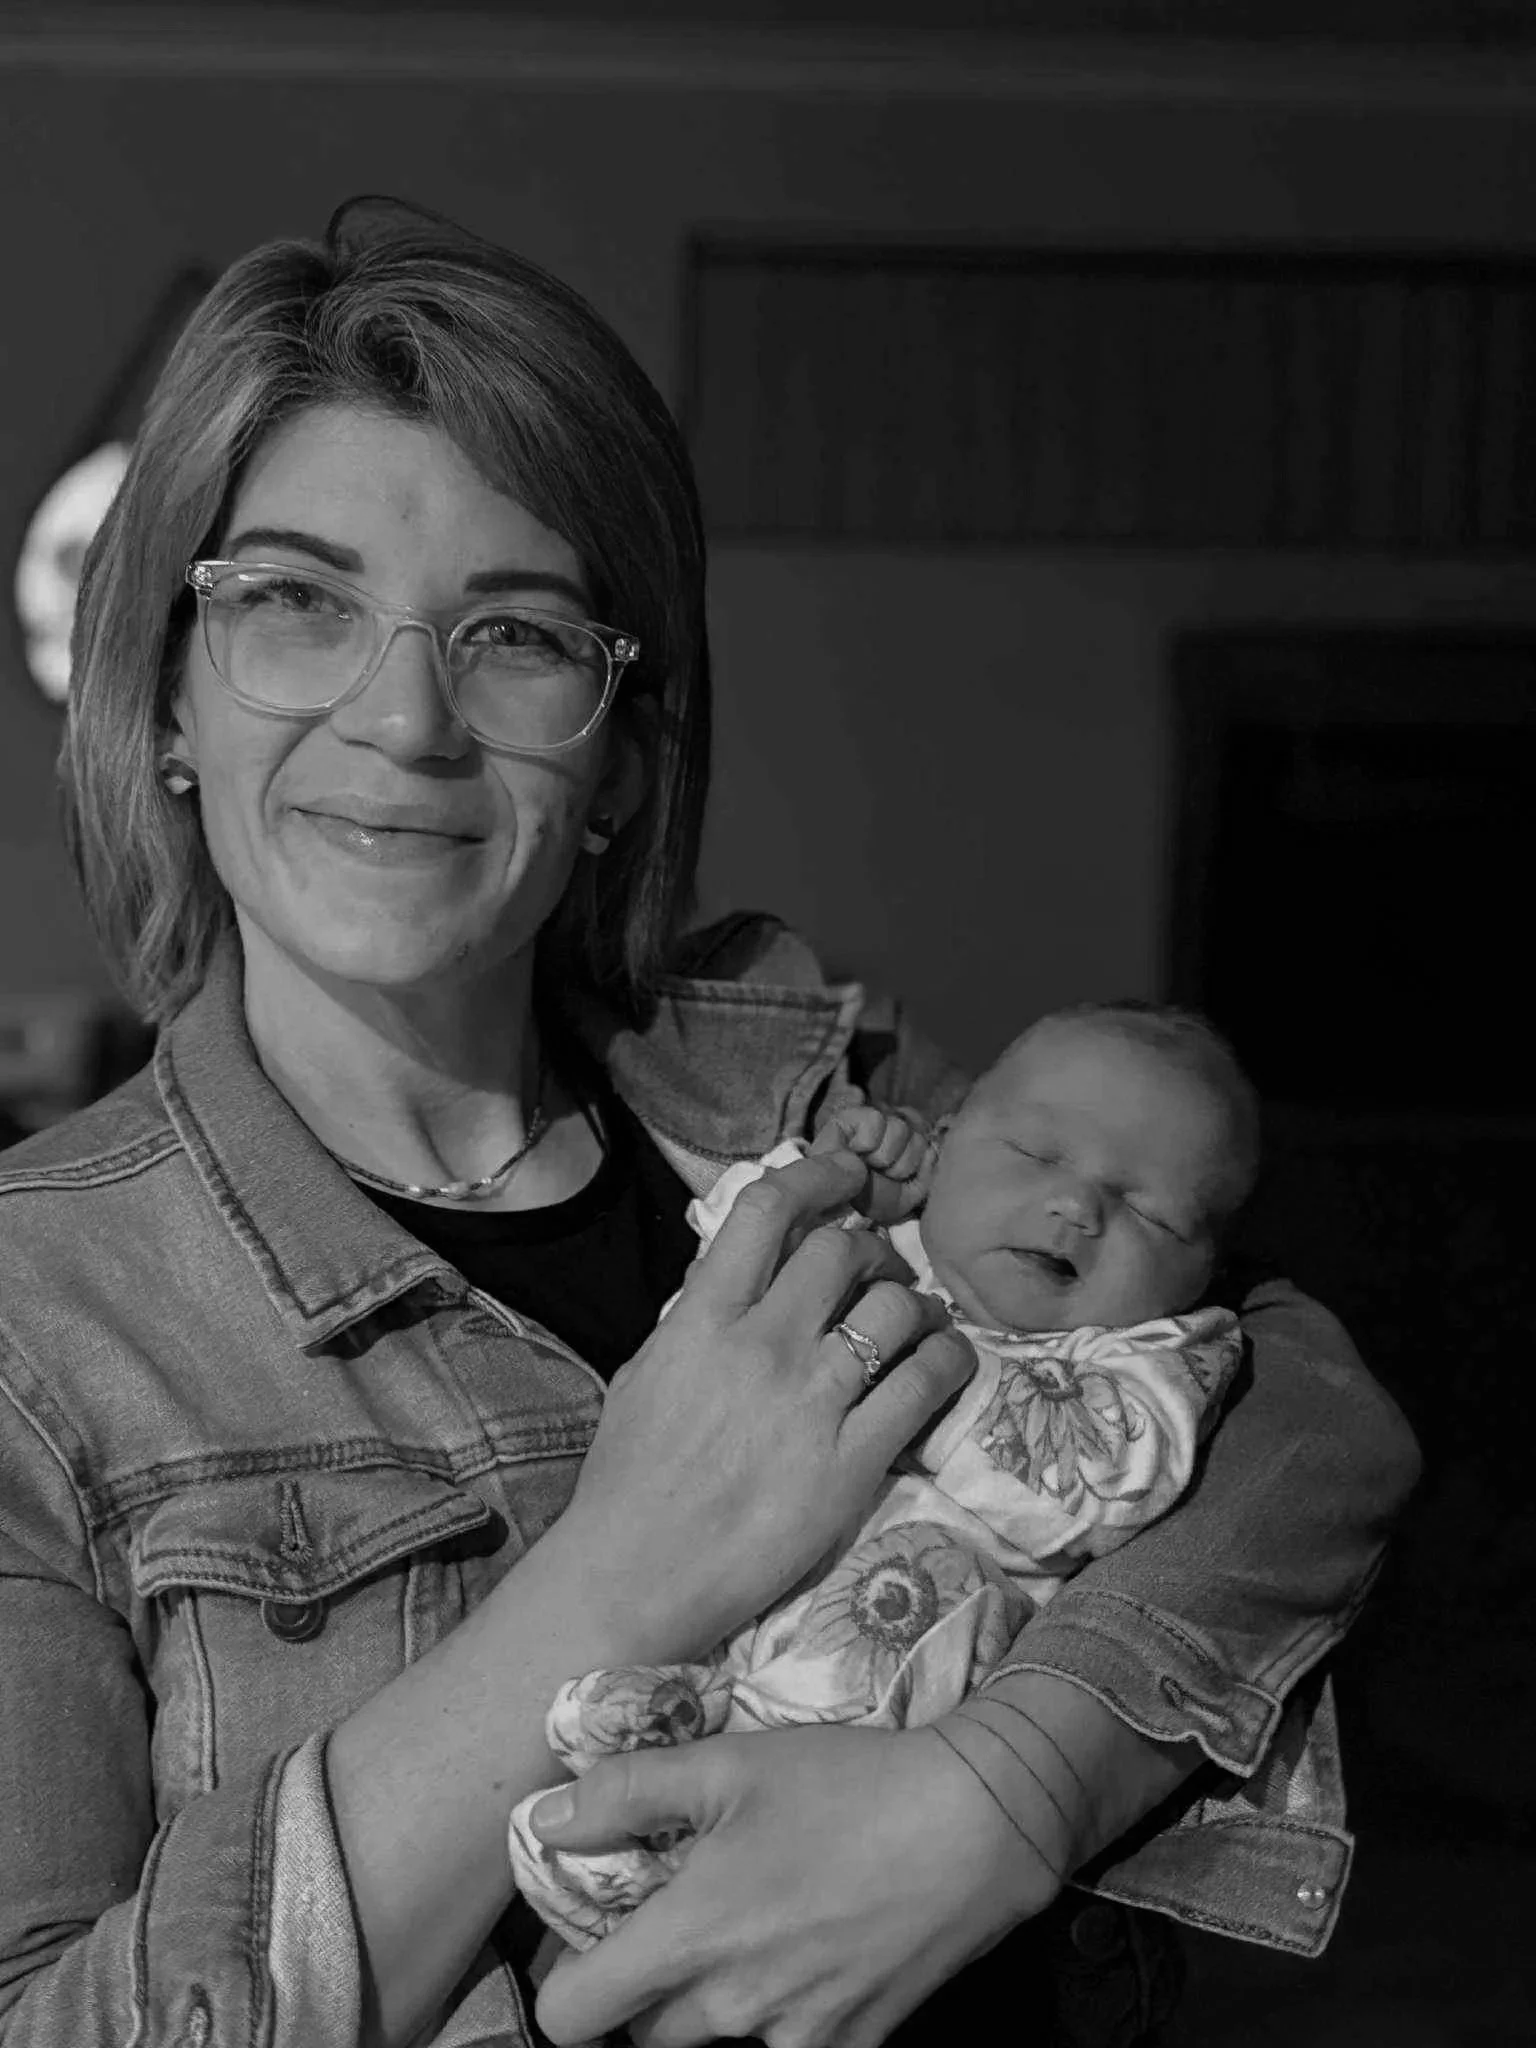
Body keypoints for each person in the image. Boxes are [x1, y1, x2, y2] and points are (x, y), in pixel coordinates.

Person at [0, 196, 1419, 2048]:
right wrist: (631, 1565)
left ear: (619, 759)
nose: (407, 718)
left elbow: (1305, 1406)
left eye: (515, 631)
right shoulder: (40, 1313)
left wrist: (1003, 1792)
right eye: (295, 601)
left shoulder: (798, 1083)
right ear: (168, 698)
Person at [508, 1003, 1257, 1948]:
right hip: (715, 1593)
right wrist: (836, 1182)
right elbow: (731, 1258)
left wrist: (901, 1350)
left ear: (1204, 1273)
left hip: (891, 1696)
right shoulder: (877, 1245)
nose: (1079, 1207)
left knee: (899, 1617)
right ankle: (659, 1766)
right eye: (1035, 1154)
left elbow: (1097, 1480)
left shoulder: (1151, 1358)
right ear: (942, 1145)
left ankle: (692, 1829)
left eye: (1150, 1212)